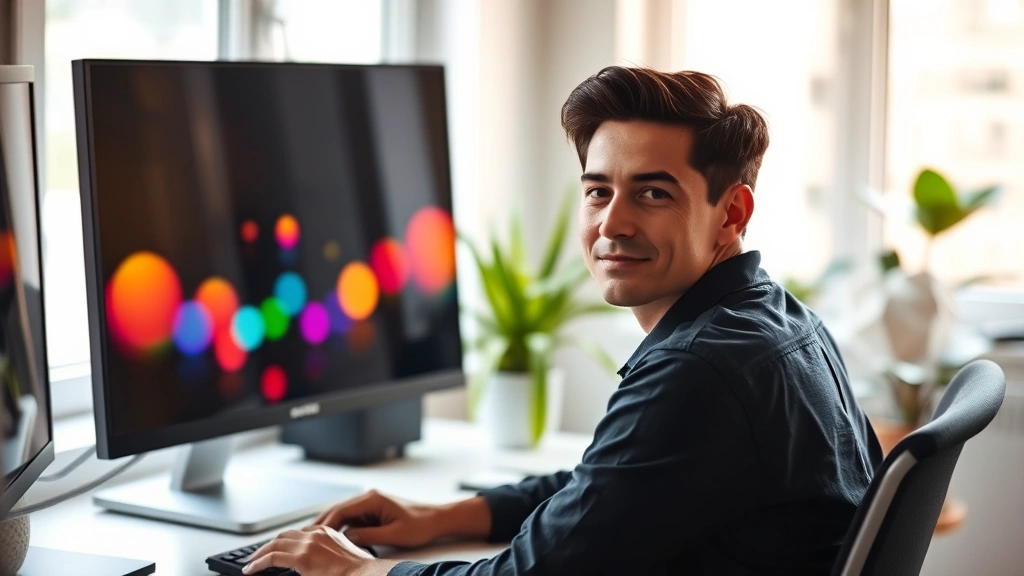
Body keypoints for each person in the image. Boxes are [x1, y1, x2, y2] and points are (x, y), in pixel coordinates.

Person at [243, 66, 882, 576]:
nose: (612, 223)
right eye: (598, 190)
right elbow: (607, 487)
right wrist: (441, 518)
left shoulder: (702, 368)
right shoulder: (772, 317)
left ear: (731, 213)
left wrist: (357, 574)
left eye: (653, 193)